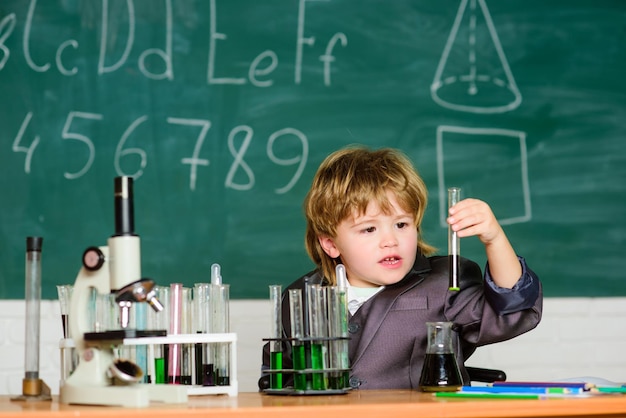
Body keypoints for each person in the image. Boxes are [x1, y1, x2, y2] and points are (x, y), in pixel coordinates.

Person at [259, 145, 542, 390]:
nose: (390, 240)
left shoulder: (444, 281)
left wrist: (494, 238)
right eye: (369, 229)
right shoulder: (301, 296)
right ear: (331, 244)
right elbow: (281, 384)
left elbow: (513, 310)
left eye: (402, 224)